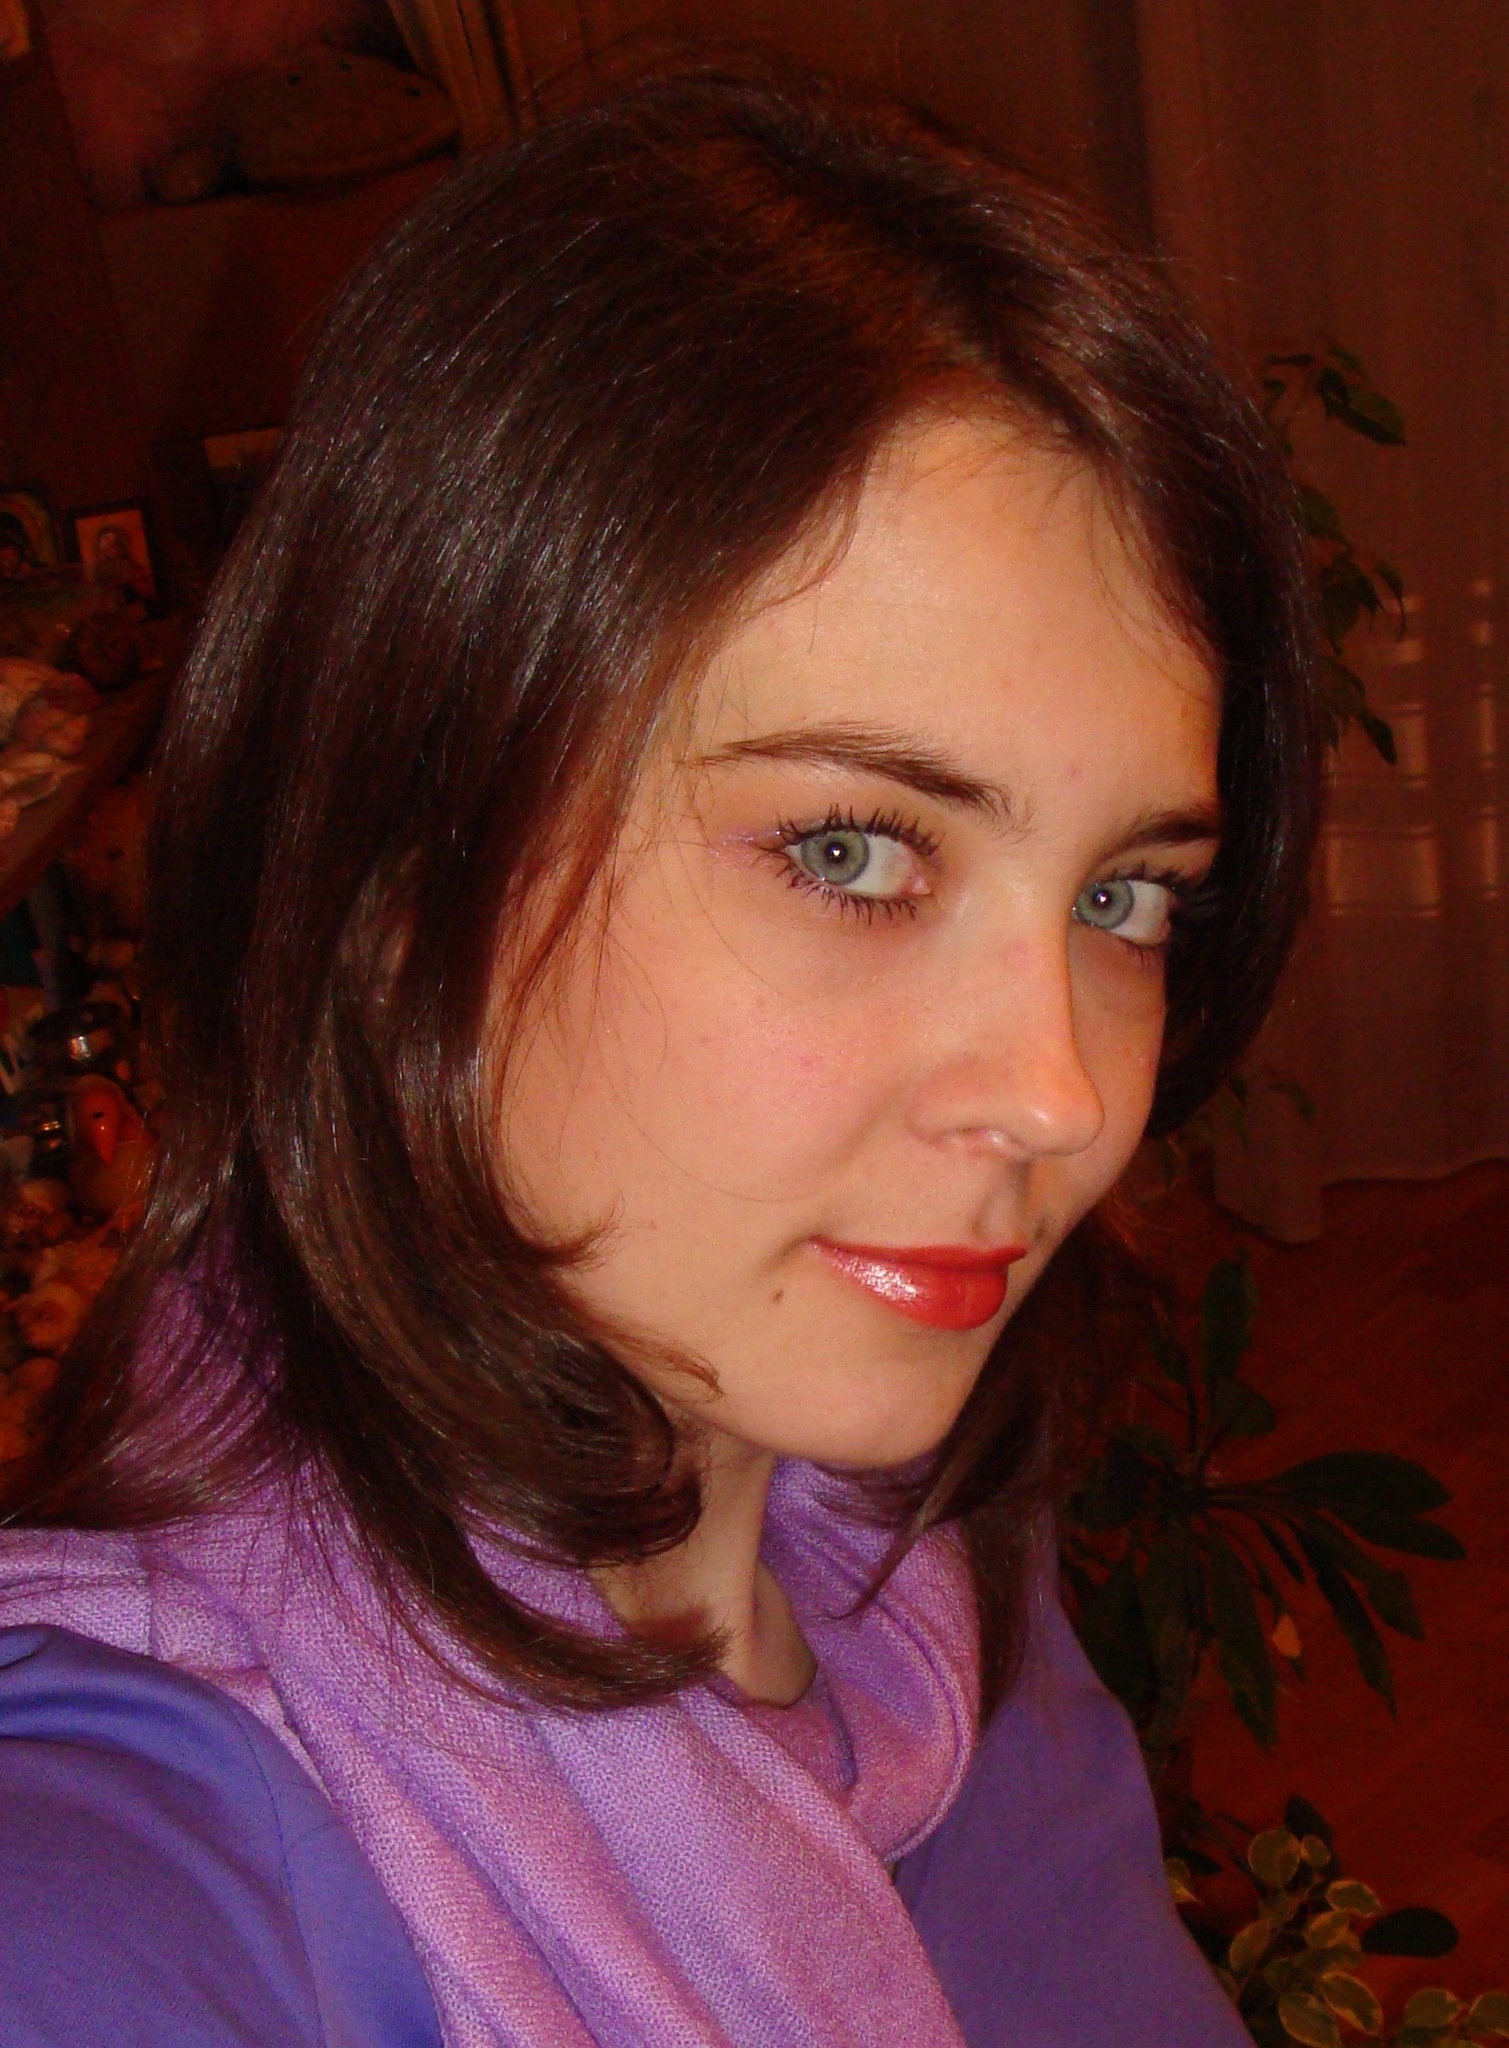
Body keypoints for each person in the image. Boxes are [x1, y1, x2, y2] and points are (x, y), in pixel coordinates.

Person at [0, 69, 1319, 2048]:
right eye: (851, 852)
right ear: (394, 879)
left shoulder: (910, 1554)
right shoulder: (133, 1877)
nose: (1059, 1097)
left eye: (1121, 896)